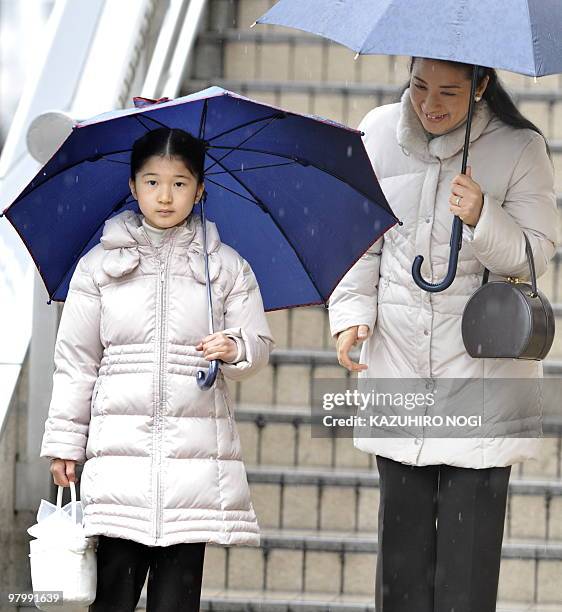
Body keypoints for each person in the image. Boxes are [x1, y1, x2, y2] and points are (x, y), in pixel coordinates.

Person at [329, 57, 558, 612]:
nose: (430, 104)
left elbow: (535, 259)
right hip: (400, 368)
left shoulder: (520, 148)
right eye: (420, 86)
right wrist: (351, 313)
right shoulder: (379, 133)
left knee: (466, 577)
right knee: (401, 572)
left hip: (482, 380)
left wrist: (483, 216)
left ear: (481, 86)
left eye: (450, 93)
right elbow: (361, 241)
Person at [40, 127, 275, 611]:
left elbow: (258, 345)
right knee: (113, 600)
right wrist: (65, 441)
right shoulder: (97, 268)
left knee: (176, 603)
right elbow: (77, 361)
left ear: (200, 188)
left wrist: (233, 347)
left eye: (180, 183)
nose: (165, 196)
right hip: (119, 464)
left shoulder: (226, 268)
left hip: (194, 470)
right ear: (132, 186)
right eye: (151, 182)